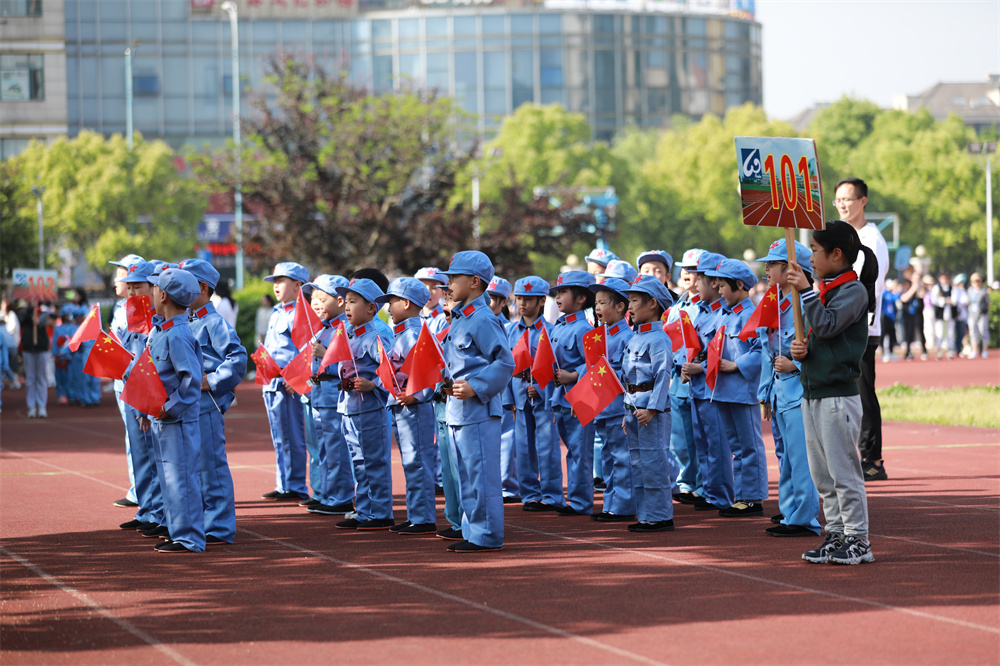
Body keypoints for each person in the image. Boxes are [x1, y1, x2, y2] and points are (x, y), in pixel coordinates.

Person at [788, 220, 878, 565]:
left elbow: (827, 325)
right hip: (813, 391)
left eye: (814, 250)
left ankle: (858, 538)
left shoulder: (852, 291)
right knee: (823, 476)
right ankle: (837, 533)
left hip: (837, 395)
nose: (809, 257)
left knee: (844, 473)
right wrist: (802, 349)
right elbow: (821, 337)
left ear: (836, 254)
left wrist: (807, 291)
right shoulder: (826, 290)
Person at [439, 251, 515, 552]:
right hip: (459, 409)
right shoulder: (461, 318)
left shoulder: (483, 319)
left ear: (473, 282)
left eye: (454, 278)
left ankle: (486, 535)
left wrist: (475, 386)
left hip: (479, 407)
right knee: (466, 474)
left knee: (481, 474)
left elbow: (505, 363)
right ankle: (474, 531)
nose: (448, 284)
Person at [757, 239, 821, 538]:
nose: (767, 268)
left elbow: (820, 347)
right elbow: (766, 352)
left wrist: (795, 366)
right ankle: (790, 511)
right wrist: (765, 392)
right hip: (779, 390)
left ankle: (805, 518)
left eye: (773, 263)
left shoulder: (806, 303)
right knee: (785, 457)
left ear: (791, 268)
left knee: (800, 458)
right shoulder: (777, 302)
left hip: (798, 390)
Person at [140, 268, 206, 553]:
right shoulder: (161, 331)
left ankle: (190, 537)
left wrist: (170, 407)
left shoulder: (178, 334)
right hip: (162, 418)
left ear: (163, 295)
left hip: (176, 419)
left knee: (182, 478)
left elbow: (191, 381)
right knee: (169, 478)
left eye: (154, 288)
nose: (151, 292)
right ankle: (177, 529)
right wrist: (147, 408)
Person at [180, 259, 247, 546]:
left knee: (211, 465)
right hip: (187, 402)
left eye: (184, 285)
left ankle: (219, 526)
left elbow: (238, 357)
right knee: (191, 465)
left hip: (206, 402)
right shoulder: (185, 320)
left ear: (203, 288)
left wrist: (214, 380)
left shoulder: (214, 321)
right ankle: (201, 521)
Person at [703, 258, 767, 518]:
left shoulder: (751, 314)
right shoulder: (724, 314)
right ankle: (742, 495)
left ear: (739, 285)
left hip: (742, 388)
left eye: (723, 286)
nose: (718, 291)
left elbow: (762, 349)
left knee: (749, 444)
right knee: (737, 445)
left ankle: (752, 498)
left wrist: (737, 365)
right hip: (724, 389)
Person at [833, 177, 888, 482]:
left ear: (863, 201)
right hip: (845, 326)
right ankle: (857, 455)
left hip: (863, 328)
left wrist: (856, 322)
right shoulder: (847, 236)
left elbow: (871, 288)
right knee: (851, 393)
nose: (843, 204)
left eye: (848, 199)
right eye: (838, 200)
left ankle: (874, 459)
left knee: (864, 393)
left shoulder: (871, 239)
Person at [333, 278, 396, 531]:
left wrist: (375, 384)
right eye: (346, 302)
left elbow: (391, 367)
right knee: (358, 461)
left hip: (370, 407)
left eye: (353, 302)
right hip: (349, 406)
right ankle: (365, 511)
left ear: (371, 308)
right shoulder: (348, 333)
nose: (347, 307)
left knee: (375, 461)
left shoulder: (378, 334)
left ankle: (381, 512)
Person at [621, 274, 675, 532]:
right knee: (638, 462)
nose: (629, 306)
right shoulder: (635, 337)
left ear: (652, 304)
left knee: (654, 462)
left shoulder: (659, 339)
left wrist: (653, 408)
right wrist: (627, 409)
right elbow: (627, 378)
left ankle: (660, 516)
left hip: (651, 411)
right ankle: (645, 515)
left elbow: (664, 376)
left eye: (634, 300)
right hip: (633, 408)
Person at [385, 277, 438, 534]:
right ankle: (416, 513)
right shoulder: (403, 333)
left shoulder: (415, 334)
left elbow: (431, 371)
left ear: (406, 304)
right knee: (410, 461)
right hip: (403, 406)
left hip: (415, 407)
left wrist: (416, 396)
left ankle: (424, 518)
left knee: (418, 461)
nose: (388, 308)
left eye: (392, 302)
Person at [681, 251, 733, 512]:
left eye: (699, 279)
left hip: (712, 387)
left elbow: (719, 352)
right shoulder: (700, 312)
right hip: (696, 387)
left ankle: (721, 495)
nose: (695, 283)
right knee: (703, 442)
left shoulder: (722, 313)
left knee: (717, 444)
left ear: (714, 282)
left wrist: (698, 367)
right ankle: (709, 491)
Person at [506, 276, 561, 512]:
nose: (522, 304)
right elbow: (506, 367)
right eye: (519, 298)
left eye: (528, 299)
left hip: (543, 396)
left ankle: (551, 495)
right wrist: (509, 400)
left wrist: (539, 387)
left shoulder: (551, 331)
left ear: (541, 301)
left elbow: (555, 366)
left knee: (547, 447)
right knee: (524, 446)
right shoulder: (510, 331)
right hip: (518, 395)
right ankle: (529, 494)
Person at [305, 274, 356, 516]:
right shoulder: (324, 329)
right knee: (323, 448)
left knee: (336, 447)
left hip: (334, 393)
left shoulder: (344, 329)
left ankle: (341, 497)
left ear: (339, 301)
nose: (315, 303)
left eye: (321, 297)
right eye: (313, 297)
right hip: (320, 394)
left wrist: (325, 353)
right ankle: (327, 493)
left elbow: (350, 365)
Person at [549, 270, 598, 516]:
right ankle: (576, 498)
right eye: (557, 293)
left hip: (579, 400)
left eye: (563, 292)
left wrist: (575, 374)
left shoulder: (584, 329)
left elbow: (595, 363)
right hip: (561, 399)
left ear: (581, 299)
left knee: (581, 451)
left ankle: (581, 502)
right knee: (571, 450)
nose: (558, 298)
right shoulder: (558, 327)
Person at [261, 262, 311, 501]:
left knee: (292, 436)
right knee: (279, 436)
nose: (276, 286)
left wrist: (298, 378)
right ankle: (284, 484)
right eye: (275, 281)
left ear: (298, 285)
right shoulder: (278, 311)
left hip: (288, 384)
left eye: (282, 281)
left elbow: (307, 351)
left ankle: (296, 485)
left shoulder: (301, 314)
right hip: (271, 381)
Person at [587, 277, 636, 522]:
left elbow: (629, 374)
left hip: (618, 407)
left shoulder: (627, 337)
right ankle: (611, 503)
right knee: (608, 456)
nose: (597, 308)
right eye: (596, 303)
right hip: (602, 407)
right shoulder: (598, 337)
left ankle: (624, 504)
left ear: (620, 307)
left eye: (603, 302)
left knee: (621, 456)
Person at [665, 249, 704, 505]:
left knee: (703, 436)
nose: (687, 274)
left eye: (693, 270)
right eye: (684, 269)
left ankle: (704, 485)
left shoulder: (712, 307)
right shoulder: (676, 306)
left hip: (701, 378)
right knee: (679, 439)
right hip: (678, 379)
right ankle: (686, 483)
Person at [486, 277, 519, 503]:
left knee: (506, 437)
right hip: (481, 389)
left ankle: (507, 486)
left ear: (502, 303)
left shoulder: (508, 328)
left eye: (490, 299)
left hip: (503, 389)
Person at [19, 302, 51, 418]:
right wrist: (29, 310)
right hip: (28, 348)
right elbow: (22, 320)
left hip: (41, 348)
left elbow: (43, 320)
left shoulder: (44, 312)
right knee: (30, 378)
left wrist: (37, 319)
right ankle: (31, 407)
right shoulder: (24, 312)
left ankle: (42, 406)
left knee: (41, 377)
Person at [898, 272, 928, 361]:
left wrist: (920, 286)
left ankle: (924, 350)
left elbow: (922, 295)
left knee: (921, 332)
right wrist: (914, 286)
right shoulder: (907, 286)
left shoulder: (921, 287)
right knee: (908, 333)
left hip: (918, 313)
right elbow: (904, 298)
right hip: (907, 314)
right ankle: (908, 352)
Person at [415, 267, 450, 336]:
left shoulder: (444, 320)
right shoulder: (412, 317)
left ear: (443, 293)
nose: (427, 292)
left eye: (434, 288)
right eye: (423, 287)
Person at [931, 272, 956, 360]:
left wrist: (949, 301)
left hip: (950, 313)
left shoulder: (952, 288)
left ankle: (950, 350)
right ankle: (939, 351)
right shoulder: (936, 288)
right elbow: (934, 299)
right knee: (939, 332)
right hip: (940, 314)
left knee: (950, 333)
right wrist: (944, 300)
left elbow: (954, 300)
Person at [967, 273, 990, 358]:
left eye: (978, 281)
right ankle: (974, 351)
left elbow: (988, 303)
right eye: (974, 281)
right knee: (973, 333)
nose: (976, 283)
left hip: (982, 314)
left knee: (983, 331)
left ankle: (984, 350)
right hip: (972, 314)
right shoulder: (969, 291)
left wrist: (985, 310)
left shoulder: (983, 291)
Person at [952, 274, 970, 358]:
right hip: (955, 315)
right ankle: (955, 349)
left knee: (962, 333)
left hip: (963, 315)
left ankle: (959, 349)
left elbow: (966, 302)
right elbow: (954, 302)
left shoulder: (964, 291)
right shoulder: (954, 291)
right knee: (954, 333)